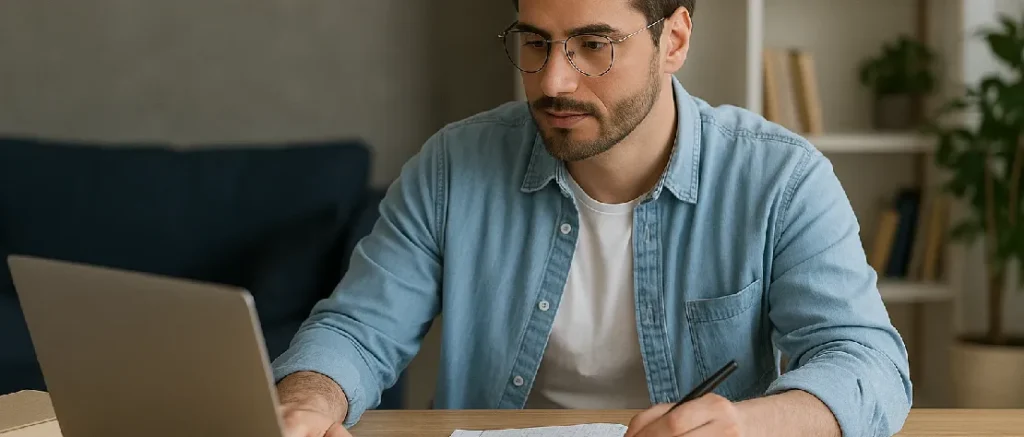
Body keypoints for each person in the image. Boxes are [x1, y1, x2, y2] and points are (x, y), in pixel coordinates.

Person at [272, 0, 913, 436]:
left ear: (675, 40)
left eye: (593, 44)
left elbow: (866, 362)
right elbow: (359, 329)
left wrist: (751, 425)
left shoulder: (780, 179)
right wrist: (306, 401)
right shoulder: (452, 165)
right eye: (535, 41)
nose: (554, 80)